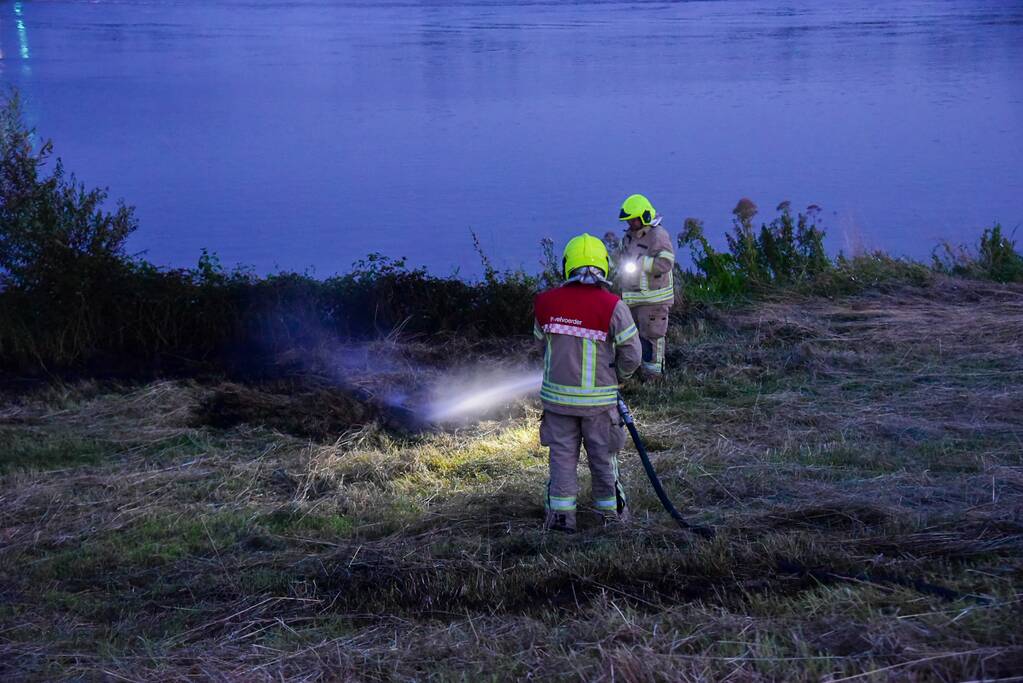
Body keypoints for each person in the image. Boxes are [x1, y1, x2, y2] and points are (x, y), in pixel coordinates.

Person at [533, 233, 642, 532]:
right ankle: (610, 519)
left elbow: (541, 346)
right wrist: (620, 377)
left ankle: (561, 519)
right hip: (599, 406)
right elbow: (633, 355)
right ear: (603, 265)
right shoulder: (613, 306)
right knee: (603, 460)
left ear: (567, 264)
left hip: (557, 404)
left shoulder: (544, 302)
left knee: (561, 460)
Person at [612, 193, 676, 379]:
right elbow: (619, 256)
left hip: (654, 300)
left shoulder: (658, 235)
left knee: (652, 337)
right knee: (632, 337)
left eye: (634, 219)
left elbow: (666, 263)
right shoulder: (628, 237)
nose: (631, 223)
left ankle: (653, 377)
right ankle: (634, 371)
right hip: (633, 299)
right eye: (629, 220)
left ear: (645, 216)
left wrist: (641, 263)